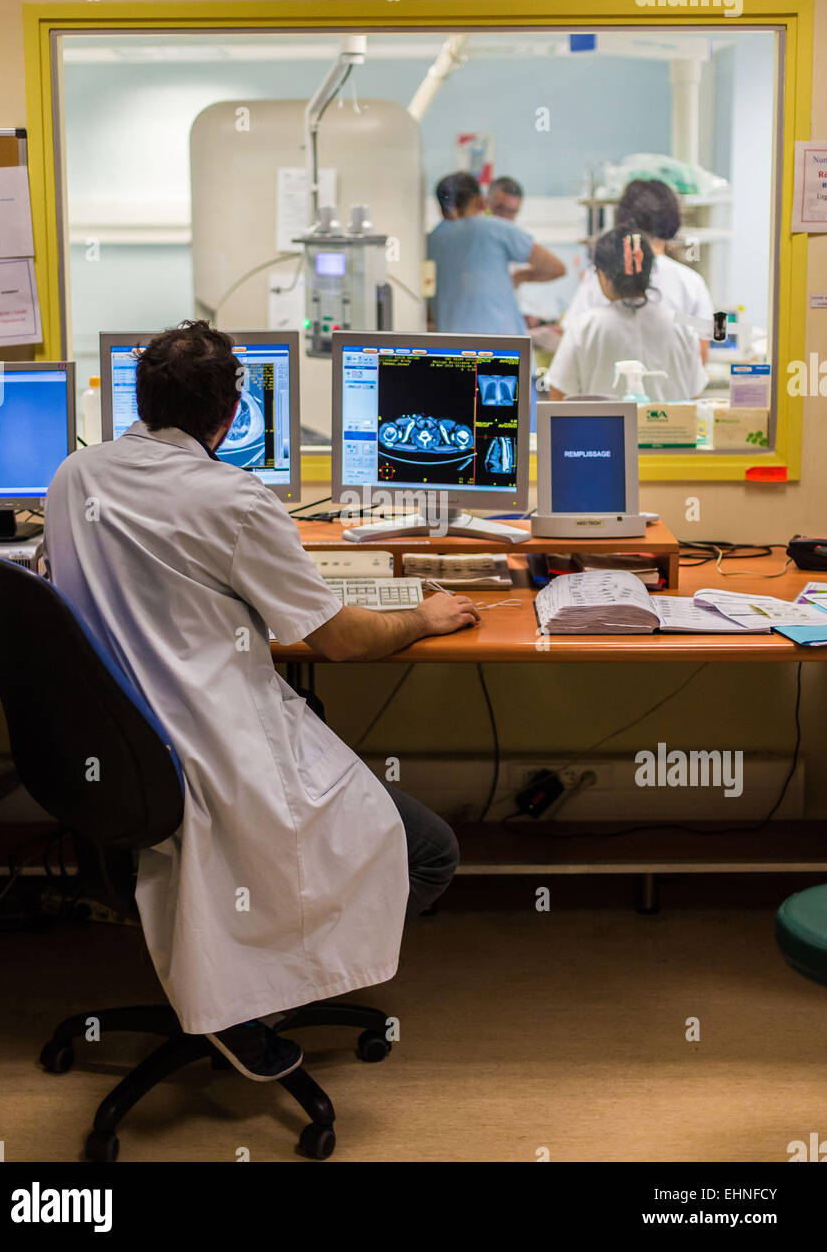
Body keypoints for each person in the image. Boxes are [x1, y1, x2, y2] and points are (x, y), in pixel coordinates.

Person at [43, 321, 479, 1082]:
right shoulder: (236, 500)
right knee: (431, 852)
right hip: (216, 758)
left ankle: (242, 980)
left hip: (121, 763)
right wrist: (424, 616)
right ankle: (254, 1003)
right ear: (229, 417)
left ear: (139, 399)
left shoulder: (74, 478)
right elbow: (340, 641)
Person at [545, 227, 708, 402]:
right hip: (672, 429)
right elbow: (695, 396)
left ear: (602, 276)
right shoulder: (681, 326)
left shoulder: (585, 327)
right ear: (649, 271)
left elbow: (559, 399)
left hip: (600, 429)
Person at [561, 178, 713, 363]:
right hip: (672, 390)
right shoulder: (690, 283)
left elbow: (572, 342)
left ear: (622, 218)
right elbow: (701, 355)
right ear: (673, 219)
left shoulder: (601, 276)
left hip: (605, 387)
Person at [426, 173, 565, 336]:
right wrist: (520, 277)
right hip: (503, 349)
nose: (505, 217)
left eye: (512, 212)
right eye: (500, 209)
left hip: (455, 351)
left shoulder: (430, 242)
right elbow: (557, 268)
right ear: (481, 201)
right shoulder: (495, 229)